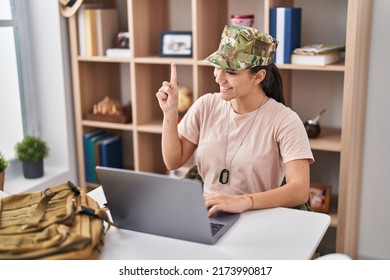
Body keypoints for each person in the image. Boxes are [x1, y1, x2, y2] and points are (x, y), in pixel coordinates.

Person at [156, 25, 314, 216]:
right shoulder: (206, 105)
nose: (219, 78)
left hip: (259, 215)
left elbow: (300, 190)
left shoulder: (285, 121)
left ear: (258, 76)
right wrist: (170, 113)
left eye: (230, 72)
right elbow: (173, 161)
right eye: (218, 67)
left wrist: (244, 201)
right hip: (208, 214)